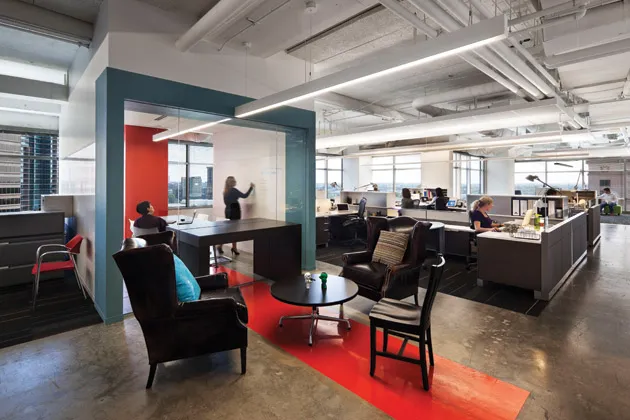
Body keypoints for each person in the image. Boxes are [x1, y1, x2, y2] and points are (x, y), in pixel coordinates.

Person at [220, 176, 254, 256]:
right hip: (234, 212)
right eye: (234, 181)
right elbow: (244, 195)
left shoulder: (225, 191)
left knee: (229, 231)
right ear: (232, 182)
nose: (235, 182)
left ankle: (223, 246)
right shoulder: (233, 190)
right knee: (233, 232)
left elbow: (226, 202)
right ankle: (232, 247)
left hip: (228, 211)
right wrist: (251, 187)